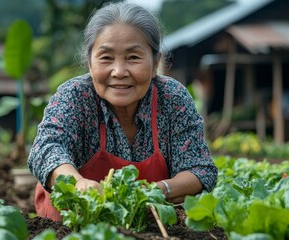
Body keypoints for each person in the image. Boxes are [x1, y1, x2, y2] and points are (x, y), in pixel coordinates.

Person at [28, 1, 218, 221]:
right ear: (90, 63)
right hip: (74, 227)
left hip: (148, 227)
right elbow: (46, 150)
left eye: (133, 57)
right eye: (106, 58)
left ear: (155, 62)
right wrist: (78, 183)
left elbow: (200, 169)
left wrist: (160, 190)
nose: (119, 72)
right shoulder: (74, 97)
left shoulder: (172, 98)